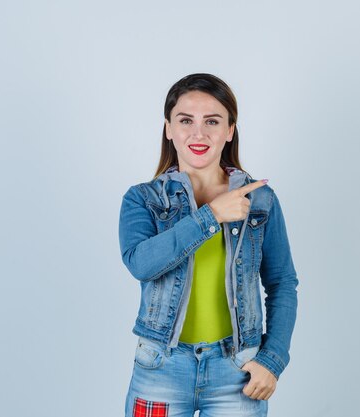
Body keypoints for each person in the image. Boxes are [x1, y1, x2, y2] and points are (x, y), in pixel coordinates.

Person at [118, 73, 298, 417]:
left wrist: (272, 360)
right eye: (186, 120)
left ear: (229, 130)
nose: (198, 133)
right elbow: (141, 264)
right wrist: (210, 215)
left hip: (238, 373)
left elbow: (282, 284)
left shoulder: (260, 200)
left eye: (212, 121)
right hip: (160, 368)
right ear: (169, 128)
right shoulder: (142, 199)